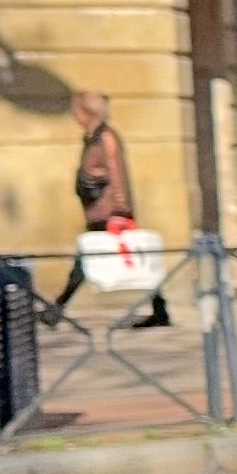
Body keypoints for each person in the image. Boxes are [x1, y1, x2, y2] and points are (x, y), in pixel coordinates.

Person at [44, 88, 167, 327]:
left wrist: (120, 211)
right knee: (93, 259)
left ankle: (56, 310)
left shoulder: (106, 137)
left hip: (109, 212)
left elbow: (117, 174)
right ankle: (160, 309)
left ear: (86, 112)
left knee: (85, 261)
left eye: (76, 110)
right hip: (98, 210)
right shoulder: (93, 137)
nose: (74, 116)